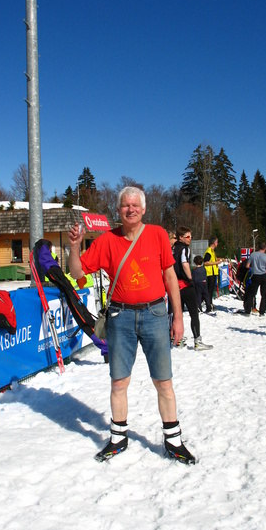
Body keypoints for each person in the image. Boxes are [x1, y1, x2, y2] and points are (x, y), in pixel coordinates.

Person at [68, 186, 195, 464]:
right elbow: (77, 272)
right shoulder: (106, 241)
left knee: (163, 381)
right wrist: (75, 247)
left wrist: (178, 317)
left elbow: (170, 277)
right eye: (125, 205)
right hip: (120, 317)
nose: (131, 209)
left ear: (144, 209)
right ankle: (118, 438)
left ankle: (173, 441)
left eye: (135, 205)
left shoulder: (157, 235)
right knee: (119, 382)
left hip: (155, 314)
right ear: (118, 209)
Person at [171, 227, 212, 350]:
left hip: (175, 285)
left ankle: (177, 340)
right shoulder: (185, 249)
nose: (190, 239)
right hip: (185, 284)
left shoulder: (173, 248)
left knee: (177, 313)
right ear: (181, 237)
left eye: (191, 236)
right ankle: (197, 341)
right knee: (194, 313)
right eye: (188, 237)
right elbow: (184, 263)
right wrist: (190, 279)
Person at [243, 242, 266, 316]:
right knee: (263, 295)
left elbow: (247, 266)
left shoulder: (253, 255)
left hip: (255, 275)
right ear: (265, 248)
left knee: (251, 294)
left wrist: (253, 267)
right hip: (264, 275)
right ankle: (262, 312)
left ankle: (248, 310)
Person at [203, 236, 221, 310]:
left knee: (211, 289)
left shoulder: (213, 251)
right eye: (216, 242)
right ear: (213, 243)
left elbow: (213, 259)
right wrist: (216, 263)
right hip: (209, 273)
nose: (217, 244)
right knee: (209, 290)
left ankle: (210, 303)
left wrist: (220, 259)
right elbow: (205, 262)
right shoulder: (209, 251)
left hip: (213, 272)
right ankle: (208, 304)